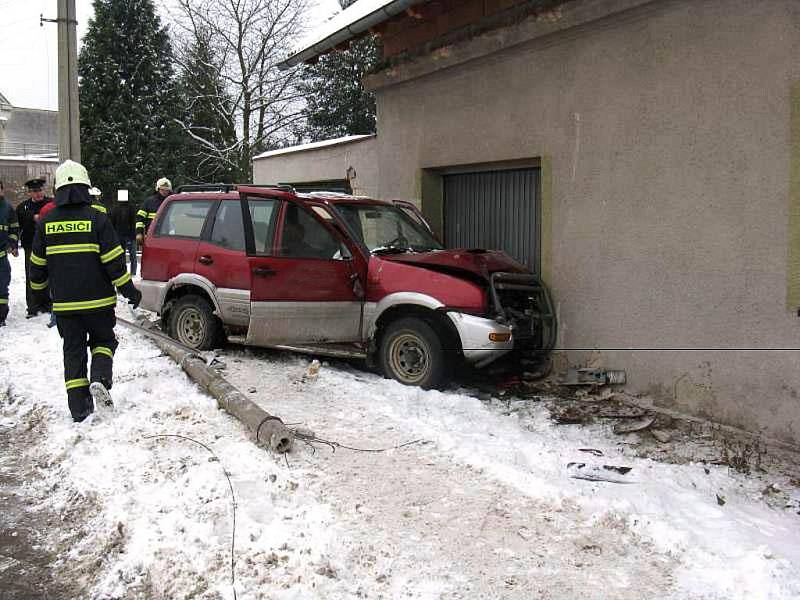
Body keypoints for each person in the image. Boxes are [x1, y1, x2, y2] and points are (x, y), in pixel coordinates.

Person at [29, 160, 141, 422]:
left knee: (73, 351)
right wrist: (130, 292)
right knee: (103, 341)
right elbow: (115, 262)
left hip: (66, 307)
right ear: (85, 187)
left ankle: (79, 410)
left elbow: (36, 270)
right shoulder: (97, 219)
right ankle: (100, 378)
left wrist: (41, 298)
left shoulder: (46, 223)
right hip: (99, 304)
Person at [16, 178, 52, 316]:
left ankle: (47, 303)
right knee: (32, 275)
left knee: (48, 274)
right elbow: (18, 226)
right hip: (30, 246)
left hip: (49, 246)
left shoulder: (50, 204)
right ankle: (33, 305)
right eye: (34, 191)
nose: (38, 194)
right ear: (29, 193)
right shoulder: (23, 207)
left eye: (40, 190)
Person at [0, 184, 20, 326]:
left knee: (1, 287)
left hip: (1, 257)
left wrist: (12, 244)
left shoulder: (7, 208)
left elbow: (14, 229)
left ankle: (1, 316)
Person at [136, 177, 171, 248]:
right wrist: (139, 233)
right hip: (151, 237)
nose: (164, 192)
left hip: (169, 237)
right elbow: (139, 218)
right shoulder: (149, 202)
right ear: (157, 189)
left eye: (166, 190)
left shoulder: (172, 202)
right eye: (162, 189)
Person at [110, 190, 137, 276]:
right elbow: (112, 223)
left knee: (130, 255)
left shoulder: (130, 208)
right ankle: (124, 272)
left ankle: (132, 273)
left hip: (127, 236)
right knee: (122, 256)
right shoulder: (116, 208)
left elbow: (133, 222)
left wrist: (133, 236)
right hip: (120, 236)